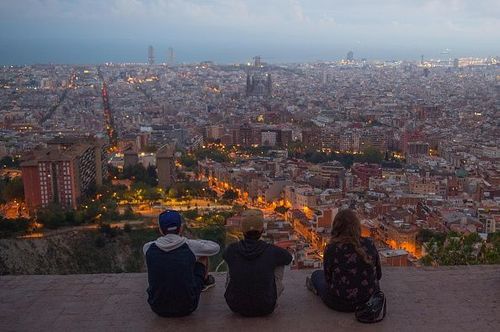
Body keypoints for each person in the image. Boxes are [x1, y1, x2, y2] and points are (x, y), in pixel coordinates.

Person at [143, 210, 220, 317]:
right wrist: (196, 242)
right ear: (181, 228)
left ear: (160, 230)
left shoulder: (148, 248)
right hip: (187, 306)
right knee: (203, 256)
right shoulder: (190, 245)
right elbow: (215, 248)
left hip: (157, 307)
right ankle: (206, 282)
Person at [306, 209, 382, 312]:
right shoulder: (369, 243)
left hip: (340, 303)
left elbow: (328, 279)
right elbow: (378, 275)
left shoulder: (332, 248)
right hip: (368, 300)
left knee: (316, 275)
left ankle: (316, 289)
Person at [223, 209, 293, 317]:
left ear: (242, 231)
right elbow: (288, 258)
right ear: (262, 231)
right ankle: (273, 291)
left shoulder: (231, 249)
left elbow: (225, 256)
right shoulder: (271, 251)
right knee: (280, 261)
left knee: (232, 260)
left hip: (235, 306)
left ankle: (235, 290)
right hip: (266, 307)